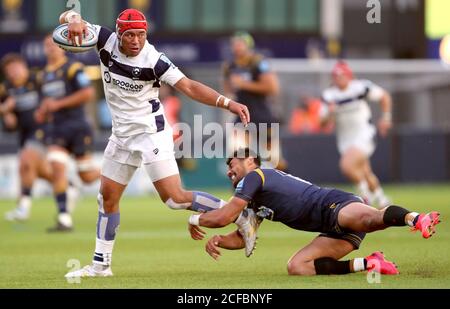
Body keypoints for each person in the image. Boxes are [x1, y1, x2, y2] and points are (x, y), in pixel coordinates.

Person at [61, 8, 257, 278]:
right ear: (119, 33)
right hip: (121, 135)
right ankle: (100, 266)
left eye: (141, 34)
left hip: (150, 132)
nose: (136, 40)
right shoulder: (103, 39)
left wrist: (228, 103)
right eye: (130, 34)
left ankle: (241, 214)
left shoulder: (154, 60)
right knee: (107, 198)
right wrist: (73, 20)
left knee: (175, 199)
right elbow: (68, 18)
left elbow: (188, 86)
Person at [187, 148, 440, 276]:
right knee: (297, 267)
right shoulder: (253, 199)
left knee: (369, 220)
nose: (230, 171)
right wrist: (220, 240)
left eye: (232, 164)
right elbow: (243, 237)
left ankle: (416, 218)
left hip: (331, 205)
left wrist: (195, 218)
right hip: (330, 230)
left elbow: (224, 215)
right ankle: (371, 263)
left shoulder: (255, 176)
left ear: (251, 161)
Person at [34, 35, 101, 231]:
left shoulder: (73, 68)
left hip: (78, 126)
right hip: (57, 128)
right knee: (56, 165)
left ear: (62, 47)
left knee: (86, 176)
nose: (51, 48)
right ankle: (64, 217)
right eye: (47, 45)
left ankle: (111, 171)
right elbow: (46, 103)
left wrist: (57, 104)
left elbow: (88, 93)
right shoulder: (42, 75)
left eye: (54, 45)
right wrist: (42, 111)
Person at [321, 61, 392, 209]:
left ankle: (365, 198)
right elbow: (322, 123)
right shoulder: (329, 95)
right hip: (345, 139)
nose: (339, 79)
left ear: (349, 76)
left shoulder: (360, 87)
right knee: (365, 172)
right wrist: (330, 113)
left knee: (347, 166)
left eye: (342, 76)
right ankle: (382, 200)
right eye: (336, 76)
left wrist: (386, 118)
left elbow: (384, 96)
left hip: (364, 134)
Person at [222, 31, 287, 171]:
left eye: (240, 44)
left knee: (275, 161)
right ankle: (242, 189)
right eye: (234, 44)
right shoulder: (230, 66)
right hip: (242, 115)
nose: (237, 47)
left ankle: (289, 188)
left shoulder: (258, 62)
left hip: (262, 114)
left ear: (248, 45)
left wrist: (244, 84)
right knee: (237, 153)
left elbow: (273, 88)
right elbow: (228, 89)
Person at [0, 53, 53, 221]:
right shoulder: (6, 89)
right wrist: (6, 113)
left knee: (25, 162)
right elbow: (11, 125)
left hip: (44, 130)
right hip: (25, 134)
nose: (13, 73)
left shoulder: (38, 80)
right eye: (9, 70)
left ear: (23, 66)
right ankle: (66, 184)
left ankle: (23, 208)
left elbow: (52, 101)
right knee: (33, 169)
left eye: (16, 68)